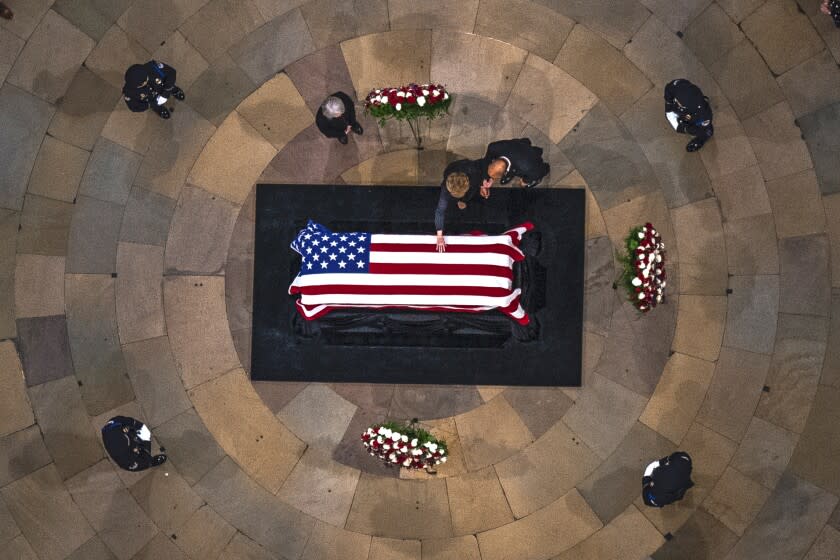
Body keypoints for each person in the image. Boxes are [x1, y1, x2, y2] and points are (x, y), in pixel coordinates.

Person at [434, 159, 485, 252]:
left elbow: (484, 174)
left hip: (471, 173)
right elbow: (440, 211)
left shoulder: (475, 174)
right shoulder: (446, 188)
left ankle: (465, 200)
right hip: (454, 169)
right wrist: (439, 235)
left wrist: (483, 186)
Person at [664, 79, 714, 152]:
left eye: (679, 102)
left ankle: (701, 139)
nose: (676, 101)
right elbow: (669, 89)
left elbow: (700, 129)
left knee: (705, 131)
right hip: (685, 112)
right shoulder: (679, 85)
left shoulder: (703, 115)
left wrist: (685, 129)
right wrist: (668, 104)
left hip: (695, 119)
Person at [101, 416, 167, 471]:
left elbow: (118, 419)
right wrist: (142, 452)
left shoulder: (111, 428)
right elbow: (135, 465)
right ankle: (152, 462)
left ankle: (135, 437)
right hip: (132, 456)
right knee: (146, 460)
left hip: (128, 442)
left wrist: (136, 424)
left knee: (140, 432)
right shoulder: (124, 459)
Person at [481, 138, 550, 188]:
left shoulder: (525, 167)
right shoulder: (493, 147)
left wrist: (525, 181)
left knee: (537, 173)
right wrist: (487, 178)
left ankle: (546, 169)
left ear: (505, 172)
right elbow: (487, 160)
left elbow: (535, 173)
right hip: (519, 146)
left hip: (532, 160)